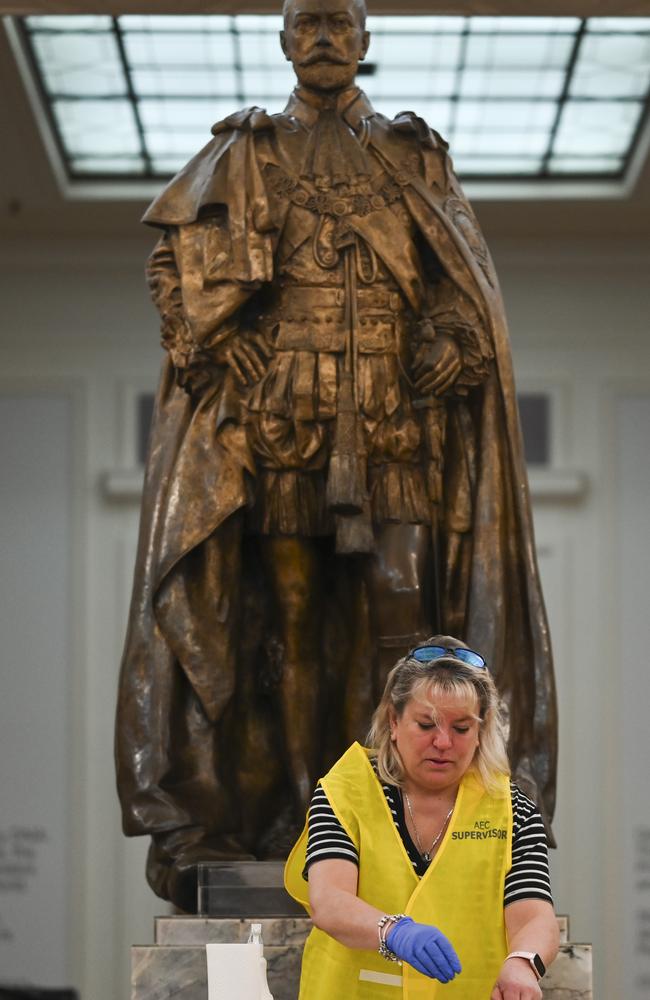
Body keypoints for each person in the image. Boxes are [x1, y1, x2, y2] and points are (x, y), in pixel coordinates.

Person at [115, 0, 557, 910]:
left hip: (394, 420)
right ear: (284, 42)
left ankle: (386, 814)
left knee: (398, 622)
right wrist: (210, 343)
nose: (323, 37)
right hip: (286, 418)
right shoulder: (245, 149)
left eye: (339, 23)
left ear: (364, 41)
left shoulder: (410, 154)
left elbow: (460, 290)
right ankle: (302, 813)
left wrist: (450, 340)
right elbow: (175, 267)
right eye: (306, 22)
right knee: (288, 621)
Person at [285, 637, 559, 999]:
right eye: (426, 725)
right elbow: (330, 899)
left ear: (481, 730)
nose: (443, 742)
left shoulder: (514, 810)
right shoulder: (344, 792)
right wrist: (393, 932)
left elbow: (534, 914)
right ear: (394, 721)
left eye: (461, 728)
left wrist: (523, 964)